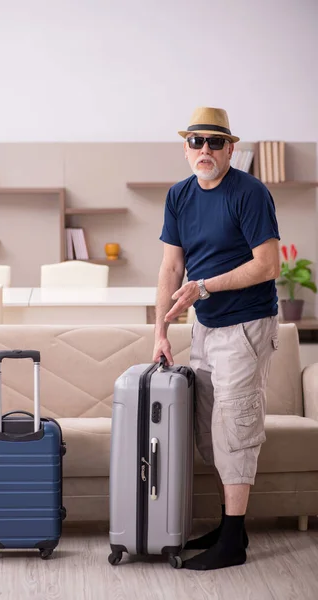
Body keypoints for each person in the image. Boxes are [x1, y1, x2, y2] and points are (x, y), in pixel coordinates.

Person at [153, 107, 280, 571]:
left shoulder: (250, 193)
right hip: (204, 327)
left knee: (235, 429)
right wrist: (161, 331)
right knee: (209, 428)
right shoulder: (179, 196)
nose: (203, 150)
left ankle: (233, 542)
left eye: (214, 142)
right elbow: (171, 267)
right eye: (195, 141)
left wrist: (205, 286)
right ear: (185, 147)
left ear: (231, 148)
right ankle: (230, 527)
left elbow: (268, 266)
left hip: (245, 324)